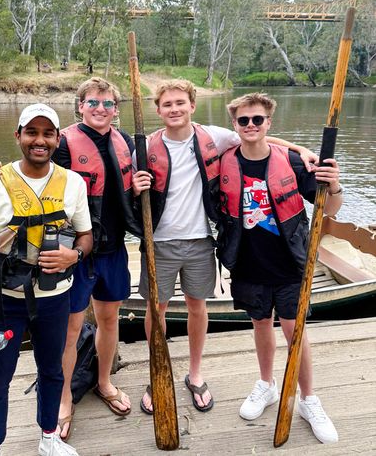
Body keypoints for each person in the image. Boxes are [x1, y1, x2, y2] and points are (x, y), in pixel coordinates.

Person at [132, 79, 318, 415]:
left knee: (196, 307)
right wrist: (134, 187)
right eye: (167, 104)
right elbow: (131, 193)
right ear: (157, 109)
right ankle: (157, 373)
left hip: (201, 240)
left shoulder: (214, 137)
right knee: (155, 310)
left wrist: (300, 151)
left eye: (180, 103)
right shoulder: (144, 147)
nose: (174, 109)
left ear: (192, 105)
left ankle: (196, 374)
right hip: (158, 242)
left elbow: (258, 138)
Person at [0, 78, 142, 441]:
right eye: (93, 102)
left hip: (113, 248)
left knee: (109, 318)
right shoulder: (62, 140)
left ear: (116, 109)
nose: (101, 109)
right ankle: (63, 397)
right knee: (70, 328)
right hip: (73, 253)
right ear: (80, 106)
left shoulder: (125, 141)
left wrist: (140, 185)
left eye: (108, 103)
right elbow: (33, 167)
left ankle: (103, 381)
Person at [0, 103, 93, 456]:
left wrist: (74, 255)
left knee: (52, 371)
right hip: (1, 302)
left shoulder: (73, 184)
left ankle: (48, 437)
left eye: (47, 133)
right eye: (31, 132)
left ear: (57, 139)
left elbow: (85, 236)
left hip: (54, 298)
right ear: (18, 136)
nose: (40, 141)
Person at [217, 92, 341, 443]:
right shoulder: (224, 158)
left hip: (290, 263)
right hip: (247, 263)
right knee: (260, 325)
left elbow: (329, 210)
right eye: (244, 121)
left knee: (294, 331)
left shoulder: (293, 162)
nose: (251, 126)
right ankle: (267, 385)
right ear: (235, 125)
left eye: (258, 120)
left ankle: (309, 399)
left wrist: (334, 184)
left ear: (269, 122)